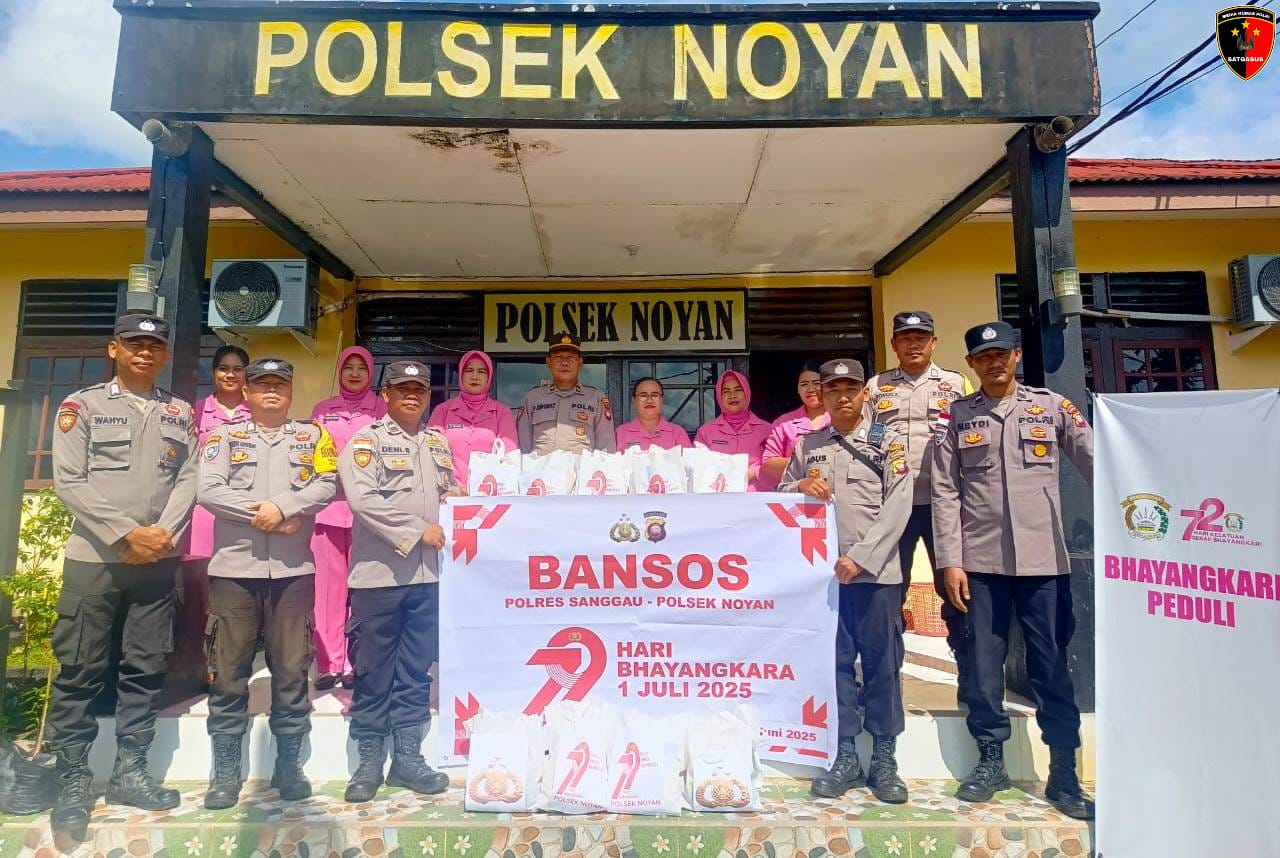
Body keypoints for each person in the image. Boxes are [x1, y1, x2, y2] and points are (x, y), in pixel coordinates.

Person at [931, 321, 1093, 820]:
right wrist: (950, 560)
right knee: (983, 669)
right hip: (980, 565)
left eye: (1001, 354)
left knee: (1051, 667)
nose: (994, 363)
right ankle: (990, 762)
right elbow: (944, 491)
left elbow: (1098, 462)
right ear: (971, 364)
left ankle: (1063, 772)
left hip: (1044, 562)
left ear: (1016, 356)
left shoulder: (1051, 407)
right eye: (983, 357)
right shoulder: (956, 417)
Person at [47, 314, 199, 839]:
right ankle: (72, 780)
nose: (145, 352)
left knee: (145, 667)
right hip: (95, 561)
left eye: (154, 345)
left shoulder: (179, 412)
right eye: (135, 344)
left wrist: (162, 535)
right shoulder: (82, 406)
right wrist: (125, 535)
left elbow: (189, 478)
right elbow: (69, 481)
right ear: (114, 349)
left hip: (157, 561)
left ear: (165, 354)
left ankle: (130, 773)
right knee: (81, 669)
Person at [196, 358, 338, 809]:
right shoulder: (223, 438)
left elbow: (327, 483)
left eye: (280, 384)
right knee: (229, 673)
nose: (271, 391)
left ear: (291, 392)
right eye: (262, 384)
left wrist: (284, 506)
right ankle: (225, 772)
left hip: (293, 573)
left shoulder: (314, 437)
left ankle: (288, 766)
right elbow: (209, 489)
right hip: (234, 572)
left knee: (292, 671)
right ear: (248, 392)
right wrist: (266, 514)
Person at [779, 359, 912, 803]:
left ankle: (885, 760)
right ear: (822, 395)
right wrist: (800, 486)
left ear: (864, 393)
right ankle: (846, 755)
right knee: (833, 667)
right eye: (832, 389)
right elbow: (780, 496)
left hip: (876, 576)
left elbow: (899, 506)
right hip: (825, 581)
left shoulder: (888, 442)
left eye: (850, 388)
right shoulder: (808, 445)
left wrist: (860, 558)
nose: (841, 397)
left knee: (882, 668)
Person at [339, 360, 459, 802]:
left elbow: (449, 491)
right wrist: (416, 531)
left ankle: (408, 759)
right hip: (380, 578)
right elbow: (363, 501)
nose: (412, 395)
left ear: (428, 396)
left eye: (419, 390)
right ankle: (368, 763)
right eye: (403, 388)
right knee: (373, 672)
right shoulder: (365, 442)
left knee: (415, 672)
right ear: (385, 394)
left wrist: (457, 499)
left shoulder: (438, 443)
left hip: (429, 578)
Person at [864, 311, 972, 680]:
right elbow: (869, 442)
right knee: (889, 592)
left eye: (921, 337)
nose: (913, 344)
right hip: (894, 505)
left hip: (945, 504)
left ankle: (970, 674)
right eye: (906, 338)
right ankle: (887, 678)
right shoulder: (877, 386)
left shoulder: (956, 384)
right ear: (894, 344)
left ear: (934, 342)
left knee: (956, 590)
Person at [309, 346, 387, 690]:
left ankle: (358, 663)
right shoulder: (322, 411)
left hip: (367, 514)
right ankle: (329, 665)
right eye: (348, 367)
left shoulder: (382, 410)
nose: (355, 373)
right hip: (327, 512)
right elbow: (313, 458)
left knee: (364, 591)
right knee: (327, 593)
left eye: (362, 368)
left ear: (371, 373)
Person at [179, 346, 252, 691]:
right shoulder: (196, 412)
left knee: (237, 589)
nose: (230, 375)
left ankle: (232, 663)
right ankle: (202, 662)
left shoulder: (256, 412)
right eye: (224, 368)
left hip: (245, 513)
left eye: (238, 368)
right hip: (205, 512)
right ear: (213, 373)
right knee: (204, 589)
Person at [427, 349, 518, 489]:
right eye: (469, 370)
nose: (475, 376)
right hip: (447, 492)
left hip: (488, 492)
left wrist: (478, 488)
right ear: (461, 375)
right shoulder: (443, 410)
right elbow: (430, 452)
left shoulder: (501, 412)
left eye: (481, 372)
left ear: (489, 377)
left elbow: (509, 456)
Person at [516, 333, 616, 454]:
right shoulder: (532, 398)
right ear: (548, 361)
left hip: (582, 467)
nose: (564, 363)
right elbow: (523, 449)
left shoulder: (596, 399)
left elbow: (605, 450)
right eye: (558, 357)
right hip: (540, 466)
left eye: (571, 358)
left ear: (580, 362)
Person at [694, 370, 771, 490]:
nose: (732, 395)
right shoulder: (705, 432)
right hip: (718, 497)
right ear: (719, 397)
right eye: (726, 391)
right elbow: (697, 467)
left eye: (738, 390)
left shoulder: (767, 430)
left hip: (758, 498)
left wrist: (754, 473)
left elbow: (775, 465)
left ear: (747, 393)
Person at [761, 360, 830, 490]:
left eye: (817, 383)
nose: (811, 389)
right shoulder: (783, 423)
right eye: (804, 384)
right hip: (796, 494)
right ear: (798, 389)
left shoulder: (839, 418)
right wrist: (808, 463)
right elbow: (768, 464)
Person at [614, 377, 693, 451]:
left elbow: (688, 460)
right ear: (634, 401)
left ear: (662, 399)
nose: (649, 400)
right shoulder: (620, 433)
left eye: (655, 395)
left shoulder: (677, 433)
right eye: (643, 396)